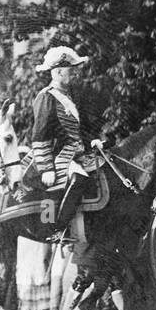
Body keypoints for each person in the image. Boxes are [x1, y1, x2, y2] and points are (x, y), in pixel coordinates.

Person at [30, 46, 105, 250]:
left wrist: (92, 141)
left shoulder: (70, 95)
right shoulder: (46, 97)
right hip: (57, 156)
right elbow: (39, 135)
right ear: (58, 71)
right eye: (71, 69)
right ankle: (58, 229)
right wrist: (46, 168)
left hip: (77, 153)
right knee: (80, 177)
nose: (74, 73)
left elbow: (81, 129)